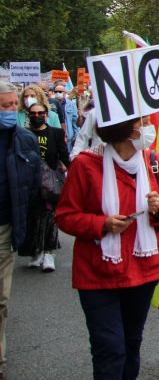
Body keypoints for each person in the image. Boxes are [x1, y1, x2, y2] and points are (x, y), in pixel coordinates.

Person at [56, 115, 159, 380]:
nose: (149, 126)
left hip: (143, 271)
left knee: (131, 344)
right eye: (143, 121)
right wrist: (101, 224)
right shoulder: (85, 164)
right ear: (128, 130)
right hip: (98, 273)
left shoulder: (154, 162)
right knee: (109, 349)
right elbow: (65, 215)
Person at [0, 81, 42, 378]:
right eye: (5, 106)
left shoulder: (25, 140)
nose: (12, 110)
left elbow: (34, 183)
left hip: (5, 228)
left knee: (1, 298)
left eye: (15, 105)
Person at [21, 100, 69, 272]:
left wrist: (72, 175)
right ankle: (36, 251)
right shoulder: (23, 134)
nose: (36, 116)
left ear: (46, 115)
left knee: (50, 217)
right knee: (32, 217)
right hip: (30, 184)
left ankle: (49, 253)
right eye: (32, 113)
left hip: (50, 184)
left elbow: (64, 155)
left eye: (40, 113)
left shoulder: (55, 133)